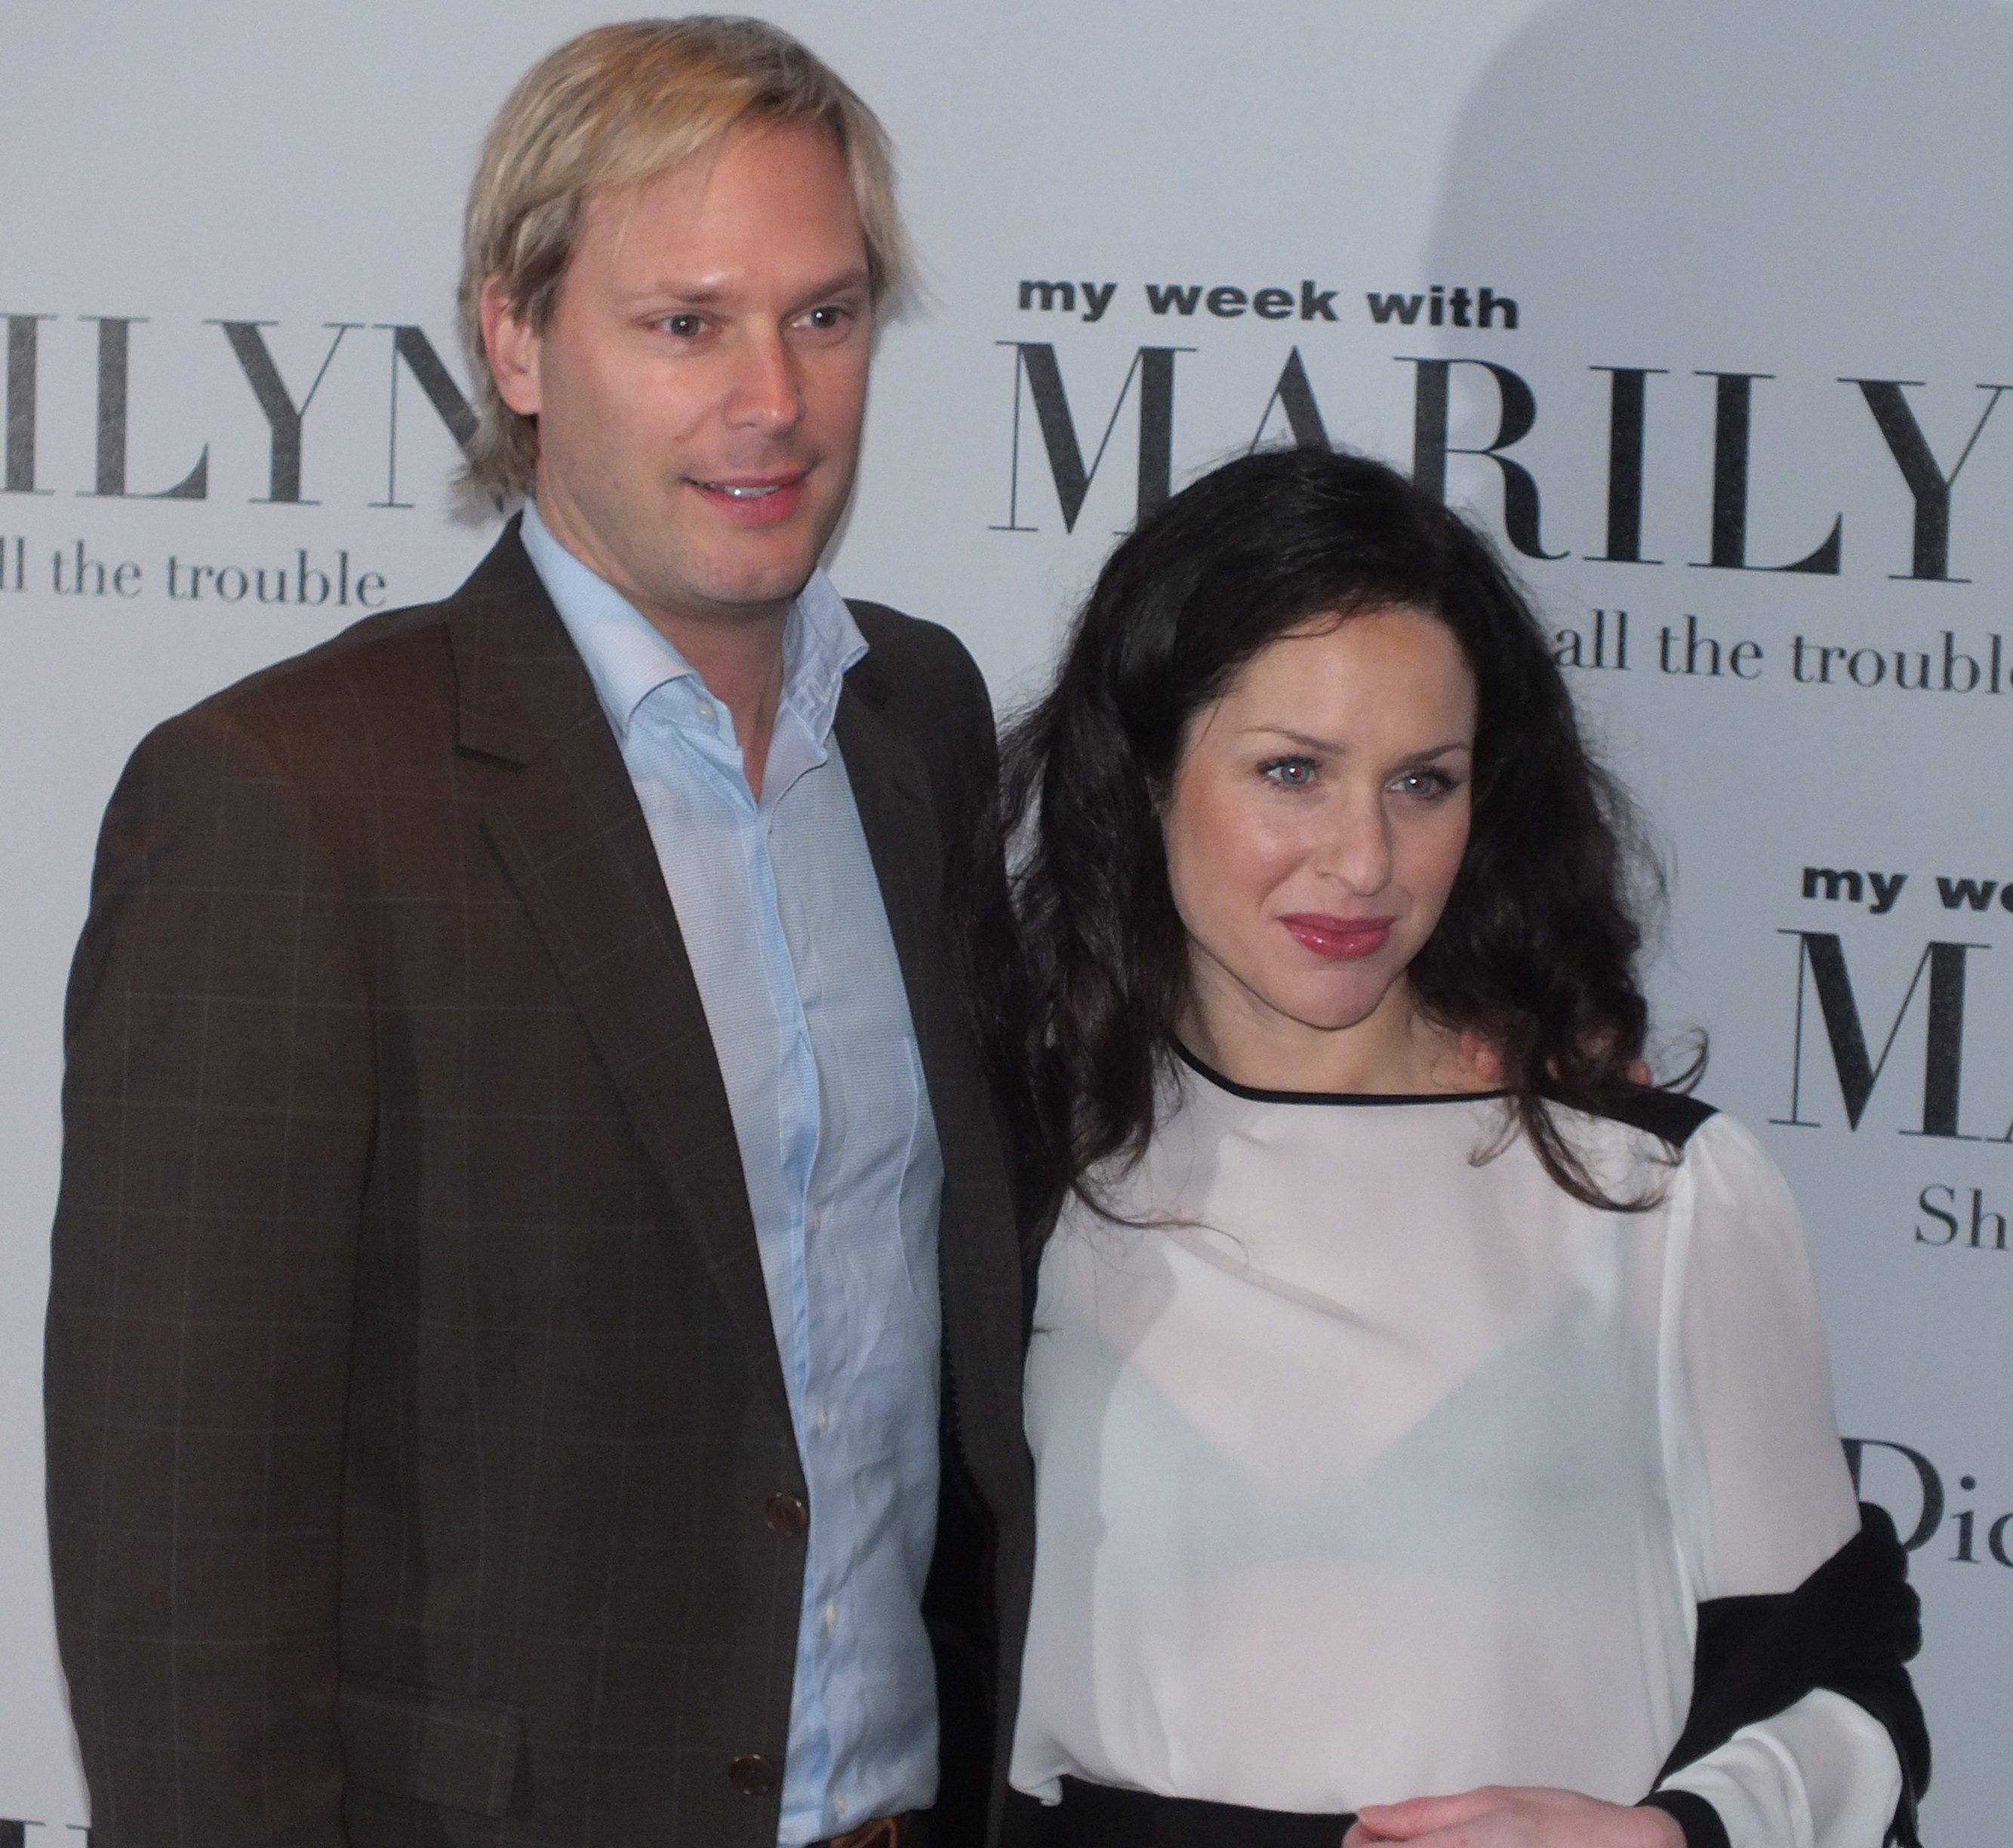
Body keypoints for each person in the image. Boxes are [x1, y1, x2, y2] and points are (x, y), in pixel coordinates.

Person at [45, 20, 1031, 1848]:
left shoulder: (920, 727)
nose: (772, 399)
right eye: (685, 324)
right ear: (515, 340)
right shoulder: (287, 802)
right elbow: (176, 1562)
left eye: (821, 316)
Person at [985, 448, 1928, 1848]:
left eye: (1422, 782)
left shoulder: (1655, 1195)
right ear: (1147, 775)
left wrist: (1675, 1837)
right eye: (1293, 771)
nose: (1364, 859)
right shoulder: (1014, 1176)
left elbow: (1844, 1693)